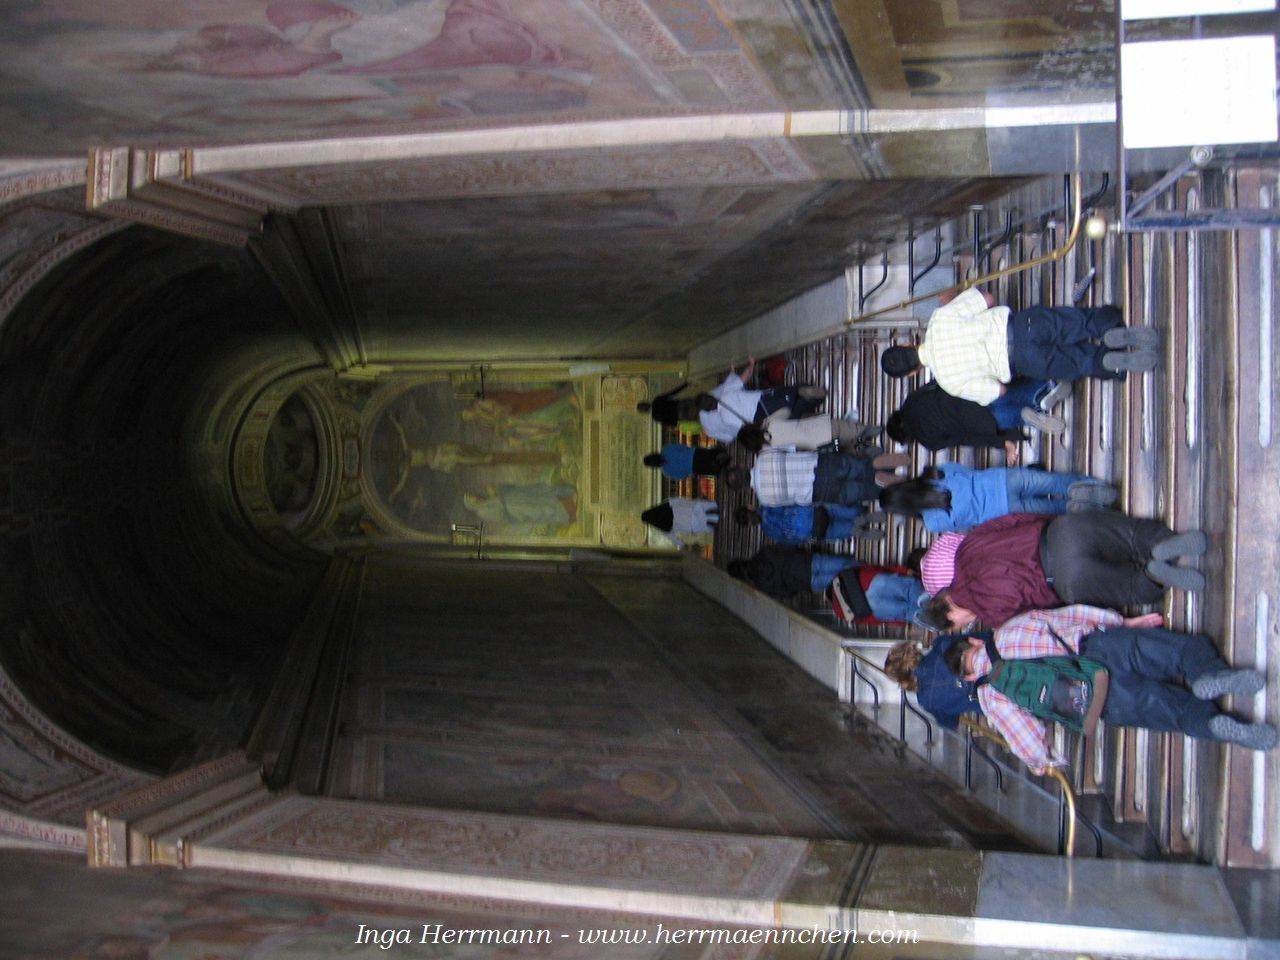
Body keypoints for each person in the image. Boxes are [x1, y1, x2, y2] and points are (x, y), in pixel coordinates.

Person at [945, 605, 1277, 774]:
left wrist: (1039, 760)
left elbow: (1028, 739)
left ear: (970, 677)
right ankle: (1206, 674)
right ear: (974, 641)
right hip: (1099, 649)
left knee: (1174, 713)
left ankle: (1213, 725)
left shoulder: (990, 696)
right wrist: (1121, 622)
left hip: (1097, 701)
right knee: (1180, 653)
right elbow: (1070, 614)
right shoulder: (1006, 632)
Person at [921, 515, 1207, 630]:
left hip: (1065, 581)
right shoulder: (966, 549)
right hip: (1060, 534)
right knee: (1134, 536)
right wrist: (1052, 523)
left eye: (959, 625)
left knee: (1130, 588)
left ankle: (1154, 576)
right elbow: (1014, 519)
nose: (966, 625)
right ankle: (1160, 546)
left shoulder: (993, 617)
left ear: (951, 616)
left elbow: (1043, 616)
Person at [880, 287, 1159, 404]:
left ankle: (1107, 362)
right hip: (1020, 326)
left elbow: (998, 391)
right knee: (1078, 322)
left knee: (1079, 363)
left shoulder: (949, 383)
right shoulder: (939, 320)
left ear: (912, 374)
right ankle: (1109, 326)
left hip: (1022, 362)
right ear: (906, 343)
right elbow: (987, 298)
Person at [877, 463, 1117, 533]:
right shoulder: (933, 473)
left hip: (1003, 509)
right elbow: (965, 471)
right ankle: (1096, 488)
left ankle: (1092, 508)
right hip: (1000, 479)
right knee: (1055, 482)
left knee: (1055, 509)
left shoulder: (932, 523)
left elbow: (967, 527)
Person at [886, 379, 1070, 466]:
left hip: (983, 423)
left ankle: (1036, 413)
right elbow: (942, 380)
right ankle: (1044, 390)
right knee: (1017, 391)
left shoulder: (928, 441)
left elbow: (964, 438)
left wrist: (1003, 443)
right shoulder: (912, 399)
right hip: (977, 394)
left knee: (1018, 415)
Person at [698, 356, 826, 442]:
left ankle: (811, 412)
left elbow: (743, 428)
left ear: (710, 411)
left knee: (792, 415)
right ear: (712, 395)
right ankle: (804, 392)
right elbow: (745, 376)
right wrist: (752, 363)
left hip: (762, 416)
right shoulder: (726, 393)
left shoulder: (726, 419)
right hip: (763, 398)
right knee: (792, 392)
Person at [739, 448, 911, 508]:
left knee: (860, 491)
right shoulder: (762, 457)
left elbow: (790, 502)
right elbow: (791, 449)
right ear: (742, 467)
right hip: (817, 465)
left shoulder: (764, 499)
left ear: (743, 488)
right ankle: (882, 464)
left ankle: (895, 484)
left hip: (817, 492)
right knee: (858, 467)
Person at [884, 636, 982, 729]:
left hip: (989, 700)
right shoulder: (941, 644)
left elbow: (949, 723)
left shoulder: (926, 701)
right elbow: (982, 638)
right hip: (991, 659)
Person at [735, 414, 882, 454]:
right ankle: (868, 431)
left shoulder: (767, 450)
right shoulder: (769, 423)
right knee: (847, 429)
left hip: (818, 446)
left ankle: (864, 449)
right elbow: (786, 411)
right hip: (820, 427)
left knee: (842, 448)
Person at [735, 503, 871, 545]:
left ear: (750, 526)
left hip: (814, 532)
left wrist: (814, 540)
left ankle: (867, 530)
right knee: (849, 512)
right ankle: (869, 513)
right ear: (750, 507)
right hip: (814, 512)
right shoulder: (768, 502)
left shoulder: (769, 532)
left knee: (848, 530)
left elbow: (793, 541)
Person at [640, 497, 718, 547]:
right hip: (694, 509)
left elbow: (673, 538)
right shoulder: (667, 505)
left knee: (715, 524)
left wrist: (683, 544)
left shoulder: (663, 527)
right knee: (715, 509)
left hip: (692, 526)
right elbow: (679, 500)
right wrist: (690, 502)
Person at [636, 382, 715, 426]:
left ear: (645, 412)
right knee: (702, 403)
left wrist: (676, 422)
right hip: (681, 404)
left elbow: (670, 422)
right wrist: (684, 385)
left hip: (681, 415)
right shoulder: (657, 400)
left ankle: (717, 417)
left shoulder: (655, 417)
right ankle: (716, 404)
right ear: (646, 402)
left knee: (702, 417)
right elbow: (672, 393)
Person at [643, 443, 729, 480]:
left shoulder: (666, 471)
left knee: (715, 469)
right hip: (695, 453)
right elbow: (682, 446)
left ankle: (724, 465)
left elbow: (682, 476)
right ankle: (723, 455)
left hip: (694, 468)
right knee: (714, 454)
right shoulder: (666, 449)